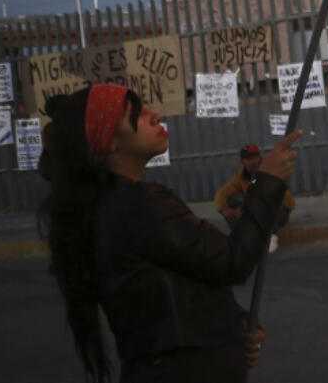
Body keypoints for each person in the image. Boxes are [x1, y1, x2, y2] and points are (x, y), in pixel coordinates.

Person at [38, 84, 300, 383]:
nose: (155, 115)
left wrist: (234, 323)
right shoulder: (137, 205)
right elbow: (231, 261)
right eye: (136, 114)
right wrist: (267, 183)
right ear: (108, 141)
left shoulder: (114, 204)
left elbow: (179, 282)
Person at [215, 143, 297, 251]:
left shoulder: (270, 169)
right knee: (231, 202)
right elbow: (222, 192)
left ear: (260, 158)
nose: (253, 161)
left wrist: (246, 208)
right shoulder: (241, 176)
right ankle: (240, 237)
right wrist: (223, 208)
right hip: (255, 211)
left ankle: (271, 237)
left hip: (280, 210)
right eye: (248, 159)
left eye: (255, 157)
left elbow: (268, 195)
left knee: (268, 206)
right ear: (243, 162)